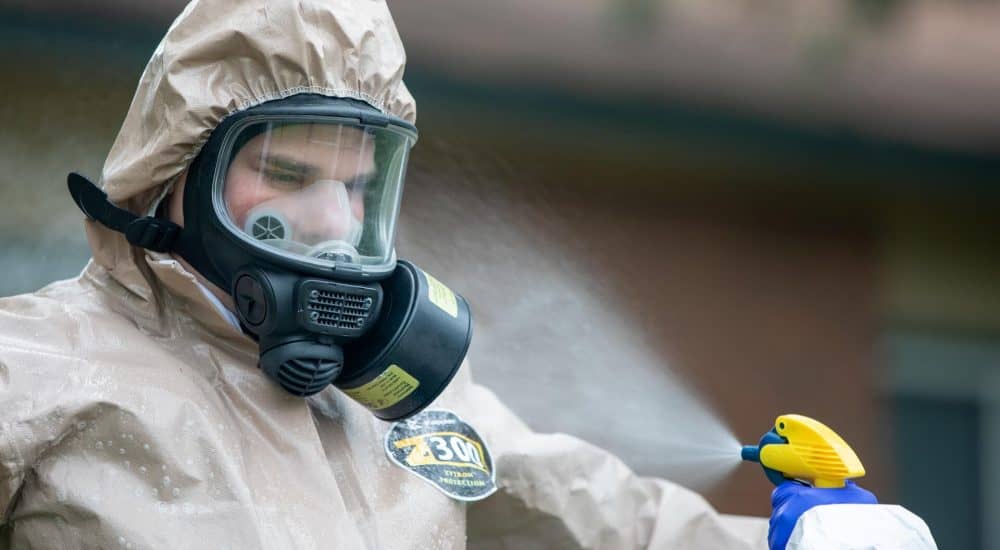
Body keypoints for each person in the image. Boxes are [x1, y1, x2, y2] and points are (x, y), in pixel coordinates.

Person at [0, 0, 937, 548]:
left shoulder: (402, 405)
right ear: (175, 175)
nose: (331, 222)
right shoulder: (34, 372)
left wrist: (788, 544)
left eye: (358, 186)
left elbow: (596, 515)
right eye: (285, 173)